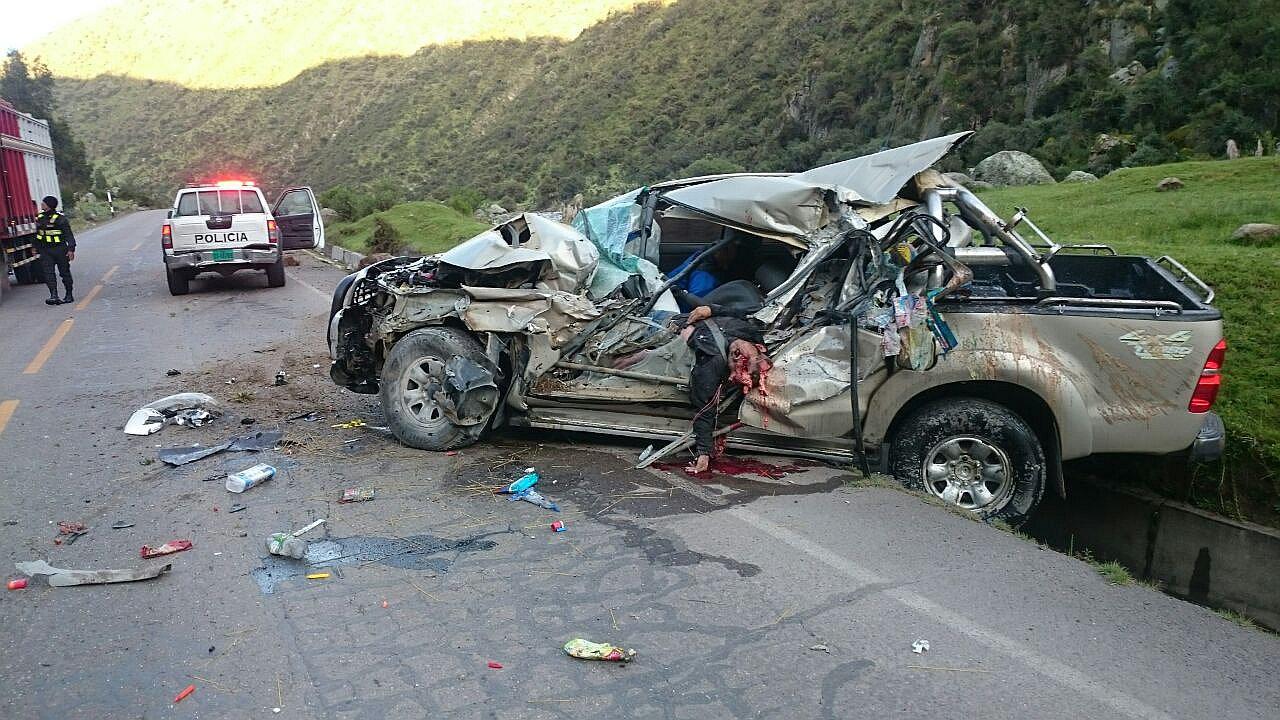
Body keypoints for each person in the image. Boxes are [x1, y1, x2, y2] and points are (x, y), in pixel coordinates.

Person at [679, 303, 768, 474]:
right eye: (748, 357)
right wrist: (712, 309)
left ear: (731, 374)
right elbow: (746, 311)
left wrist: (703, 452)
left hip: (674, 326)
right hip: (693, 315)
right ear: (759, 349)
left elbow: (705, 408)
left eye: (740, 365)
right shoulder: (753, 333)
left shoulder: (712, 364)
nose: (739, 356)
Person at [34, 196, 75, 305]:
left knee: (64, 273)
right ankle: (54, 295)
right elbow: (37, 235)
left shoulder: (61, 219)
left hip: (60, 249)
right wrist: (35, 247)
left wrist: (71, 249)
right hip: (45, 250)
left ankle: (69, 295)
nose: (42, 204)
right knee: (48, 273)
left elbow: (69, 236)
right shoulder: (40, 218)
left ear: (49, 205)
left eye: (43, 203)